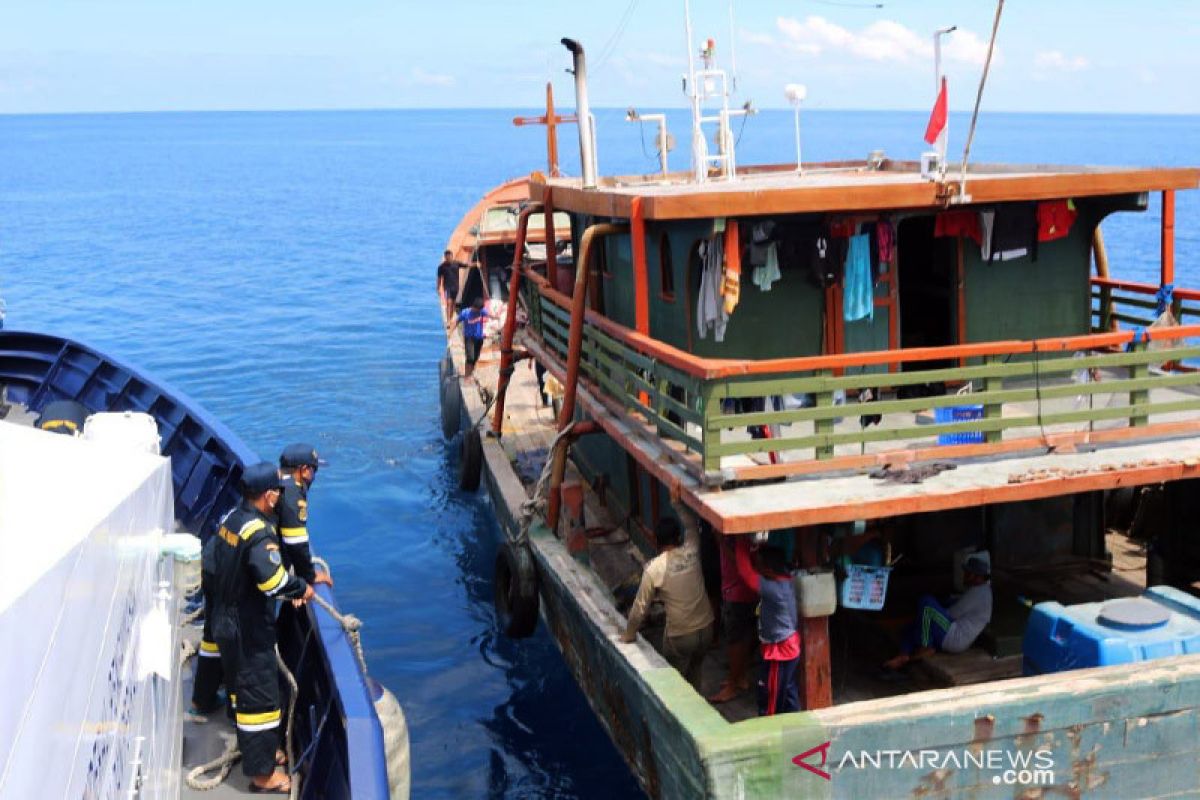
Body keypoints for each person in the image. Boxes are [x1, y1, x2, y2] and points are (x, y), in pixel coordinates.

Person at [210, 462, 313, 794]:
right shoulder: (259, 532)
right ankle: (261, 774)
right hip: (247, 629)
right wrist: (300, 588)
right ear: (269, 496)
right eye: (277, 495)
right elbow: (272, 582)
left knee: (241, 691)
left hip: (225, 620)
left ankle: (262, 750)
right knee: (260, 699)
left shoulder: (231, 520)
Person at [621, 488, 715, 692]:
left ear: (656, 541)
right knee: (695, 670)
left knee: (675, 683)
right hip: (707, 629)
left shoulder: (655, 568)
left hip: (681, 637)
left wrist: (629, 635)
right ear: (678, 537)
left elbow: (639, 609)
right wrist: (676, 503)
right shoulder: (692, 548)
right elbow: (691, 524)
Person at [881, 554, 993, 673]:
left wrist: (938, 606)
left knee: (926, 603)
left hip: (955, 637)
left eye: (968, 573)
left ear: (976, 576)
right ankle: (903, 655)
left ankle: (925, 646)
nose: (964, 575)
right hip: (952, 633)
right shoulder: (979, 590)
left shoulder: (979, 592)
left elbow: (952, 614)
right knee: (912, 627)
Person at [735, 542, 801, 716]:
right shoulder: (785, 577)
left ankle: (769, 727)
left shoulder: (773, 589)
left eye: (760, 566)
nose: (756, 569)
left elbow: (744, 572)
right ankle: (795, 723)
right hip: (788, 644)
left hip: (779, 650)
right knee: (788, 689)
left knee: (770, 694)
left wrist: (739, 540)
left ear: (770, 571)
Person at [707, 533, 757, 703]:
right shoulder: (742, 536)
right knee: (743, 636)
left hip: (737, 592)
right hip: (740, 590)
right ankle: (739, 677)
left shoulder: (740, 537)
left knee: (735, 640)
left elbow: (740, 563)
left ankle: (733, 685)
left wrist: (721, 542)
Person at [278, 443, 333, 588]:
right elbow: (296, 543)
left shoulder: (273, 481)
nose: (313, 476)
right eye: (313, 470)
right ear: (304, 470)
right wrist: (309, 576)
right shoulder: (293, 496)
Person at [450, 296, 490, 379]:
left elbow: (490, 315)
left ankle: (470, 374)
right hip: (469, 338)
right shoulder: (465, 312)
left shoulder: (482, 311)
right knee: (470, 358)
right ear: (473, 306)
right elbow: (456, 321)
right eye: (476, 310)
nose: (477, 312)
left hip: (479, 338)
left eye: (479, 310)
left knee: (475, 358)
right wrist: (450, 332)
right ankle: (467, 376)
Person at [436, 249, 462, 323]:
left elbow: (466, 265)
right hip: (447, 287)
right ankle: (448, 321)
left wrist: (476, 264)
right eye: (447, 257)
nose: (449, 258)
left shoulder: (456, 263)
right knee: (448, 302)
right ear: (445, 257)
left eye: (450, 257)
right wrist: (438, 288)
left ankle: (451, 317)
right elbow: (439, 278)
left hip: (456, 287)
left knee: (453, 303)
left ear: (452, 256)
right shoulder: (441, 267)